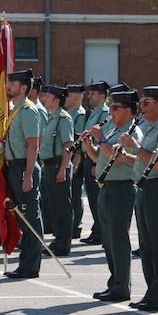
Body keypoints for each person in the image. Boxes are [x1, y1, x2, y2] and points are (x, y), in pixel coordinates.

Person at [121, 85, 158, 312]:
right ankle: (151, 293)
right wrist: (125, 154)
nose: (141, 107)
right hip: (143, 186)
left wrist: (135, 148)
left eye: (146, 103)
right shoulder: (146, 126)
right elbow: (141, 160)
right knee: (146, 244)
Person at [85, 90, 143, 301]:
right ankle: (115, 283)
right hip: (106, 187)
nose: (111, 112)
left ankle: (121, 287)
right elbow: (98, 157)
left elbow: (117, 158)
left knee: (118, 240)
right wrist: (88, 145)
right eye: (110, 107)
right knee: (109, 241)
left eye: (115, 108)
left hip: (121, 188)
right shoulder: (112, 129)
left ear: (128, 111)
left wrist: (100, 139)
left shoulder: (131, 132)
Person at [3, 69, 44, 279]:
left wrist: (28, 176)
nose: (8, 87)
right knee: (22, 217)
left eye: (12, 84)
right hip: (14, 167)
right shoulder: (15, 110)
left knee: (30, 218)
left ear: (24, 88)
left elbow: (33, 146)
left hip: (23, 168)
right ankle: (25, 263)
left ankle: (30, 266)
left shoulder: (28, 111)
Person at [39, 85, 75, 256]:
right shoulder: (50, 117)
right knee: (53, 205)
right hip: (48, 166)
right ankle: (58, 239)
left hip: (58, 165)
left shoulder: (63, 118)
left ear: (56, 100)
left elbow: (68, 146)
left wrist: (62, 169)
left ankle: (63, 244)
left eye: (47, 97)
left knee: (62, 207)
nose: (44, 99)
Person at [80, 81, 110, 245]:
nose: (89, 96)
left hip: (95, 159)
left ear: (102, 96)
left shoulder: (104, 113)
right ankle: (97, 229)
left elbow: (103, 137)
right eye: (89, 93)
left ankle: (101, 231)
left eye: (93, 94)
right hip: (88, 157)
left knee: (97, 198)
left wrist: (95, 164)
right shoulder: (94, 112)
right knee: (92, 198)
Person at [65, 84, 87, 239]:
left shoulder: (79, 114)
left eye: (67, 95)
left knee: (75, 193)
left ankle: (76, 225)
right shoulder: (70, 113)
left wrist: (76, 163)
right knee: (71, 192)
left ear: (76, 97)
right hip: (70, 157)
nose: (65, 98)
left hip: (76, 158)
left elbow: (78, 142)